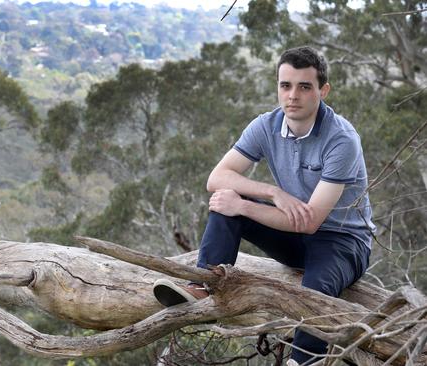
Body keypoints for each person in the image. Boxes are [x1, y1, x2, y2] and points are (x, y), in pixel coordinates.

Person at [153, 46, 375, 365]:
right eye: (285, 85)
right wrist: (271, 192)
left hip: (342, 242)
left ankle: (302, 361)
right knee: (225, 199)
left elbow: (310, 222)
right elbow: (217, 177)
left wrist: (244, 206)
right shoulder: (265, 126)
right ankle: (204, 284)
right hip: (293, 235)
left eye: (304, 86)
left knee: (311, 292)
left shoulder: (341, 139)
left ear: (323, 91)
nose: (292, 96)